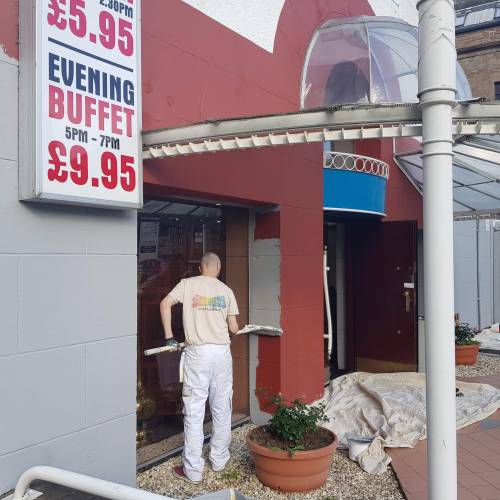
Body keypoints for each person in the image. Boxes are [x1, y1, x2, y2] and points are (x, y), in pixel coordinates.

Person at [160, 252, 239, 484]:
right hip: (222, 353)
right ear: (219, 267)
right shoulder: (226, 290)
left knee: (194, 410)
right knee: (222, 407)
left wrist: (169, 338)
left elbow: (165, 304)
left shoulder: (187, 284)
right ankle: (219, 460)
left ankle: (193, 470)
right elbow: (234, 328)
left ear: (200, 268)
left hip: (198, 353)